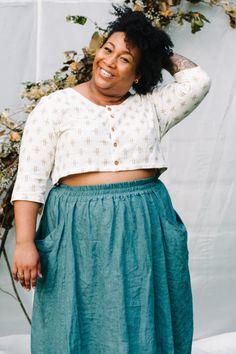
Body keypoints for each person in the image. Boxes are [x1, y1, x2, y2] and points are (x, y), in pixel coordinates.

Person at [11, 6, 211, 354]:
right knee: (73, 315)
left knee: (143, 311)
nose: (110, 61)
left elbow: (197, 81)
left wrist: (156, 51)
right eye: (108, 49)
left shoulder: (150, 107)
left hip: (145, 224)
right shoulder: (55, 106)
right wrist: (25, 243)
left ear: (137, 74)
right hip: (76, 227)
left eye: (125, 59)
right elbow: (29, 180)